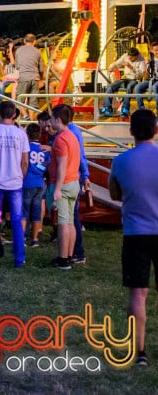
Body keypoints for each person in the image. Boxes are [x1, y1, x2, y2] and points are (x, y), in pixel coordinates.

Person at [108, 109, 158, 367]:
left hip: (136, 232)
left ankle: (139, 351)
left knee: (137, 294)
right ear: (156, 130)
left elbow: (115, 194)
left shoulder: (121, 161)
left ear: (131, 131)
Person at [0, 100, 29, 268]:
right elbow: (25, 162)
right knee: (17, 222)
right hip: (15, 183)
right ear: (14, 115)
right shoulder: (21, 134)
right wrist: (21, 177)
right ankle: (19, 259)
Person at [48, 104, 80, 269]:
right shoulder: (72, 136)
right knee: (70, 222)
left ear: (58, 120)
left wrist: (58, 188)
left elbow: (62, 165)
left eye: (52, 118)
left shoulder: (60, 139)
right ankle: (68, 255)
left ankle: (62, 258)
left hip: (65, 183)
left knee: (63, 222)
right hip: (74, 181)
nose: (50, 121)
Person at [101, 46, 148, 118]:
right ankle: (107, 108)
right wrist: (111, 67)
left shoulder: (141, 59)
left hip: (134, 79)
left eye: (131, 58)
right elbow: (117, 63)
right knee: (111, 86)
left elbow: (141, 74)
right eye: (129, 57)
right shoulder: (125, 56)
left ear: (136, 56)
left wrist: (131, 67)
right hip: (125, 78)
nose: (129, 59)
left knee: (129, 87)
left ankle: (125, 109)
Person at [22, 123, 48, 248]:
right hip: (40, 182)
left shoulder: (26, 148)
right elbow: (45, 166)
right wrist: (38, 167)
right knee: (36, 211)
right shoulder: (44, 150)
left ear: (27, 135)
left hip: (27, 182)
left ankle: (22, 237)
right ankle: (35, 239)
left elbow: (24, 163)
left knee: (24, 211)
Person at [15, 34, 46, 119]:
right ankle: (31, 120)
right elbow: (41, 69)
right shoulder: (38, 51)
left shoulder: (18, 50)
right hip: (35, 78)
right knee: (33, 100)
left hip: (24, 77)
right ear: (34, 41)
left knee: (19, 99)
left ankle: (25, 115)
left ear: (24, 41)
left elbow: (17, 66)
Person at [132, 41, 158, 112]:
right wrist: (146, 65)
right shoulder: (151, 60)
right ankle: (142, 109)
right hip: (151, 79)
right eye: (155, 50)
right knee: (137, 87)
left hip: (156, 81)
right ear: (152, 51)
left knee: (155, 87)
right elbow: (146, 73)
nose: (157, 52)